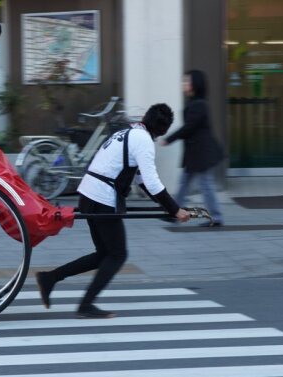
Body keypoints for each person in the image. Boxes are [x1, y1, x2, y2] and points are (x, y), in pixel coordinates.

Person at [35, 103, 190, 319]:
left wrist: (169, 208)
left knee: (104, 254)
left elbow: (141, 180)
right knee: (117, 254)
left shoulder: (128, 132)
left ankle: (50, 278)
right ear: (163, 129)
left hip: (89, 194)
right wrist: (175, 209)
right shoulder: (144, 141)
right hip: (102, 197)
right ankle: (86, 305)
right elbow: (152, 183)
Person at [160, 70, 224, 227]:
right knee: (185, 183)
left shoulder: (199, 105)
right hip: (195, 153)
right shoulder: (195, 102)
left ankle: (216, 218)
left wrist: (169, 139)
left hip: (201, 153)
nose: (184, 84)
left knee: (205, 185)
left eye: (187, 82)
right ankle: (174, 212)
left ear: (196, 84)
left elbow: (188, 128)